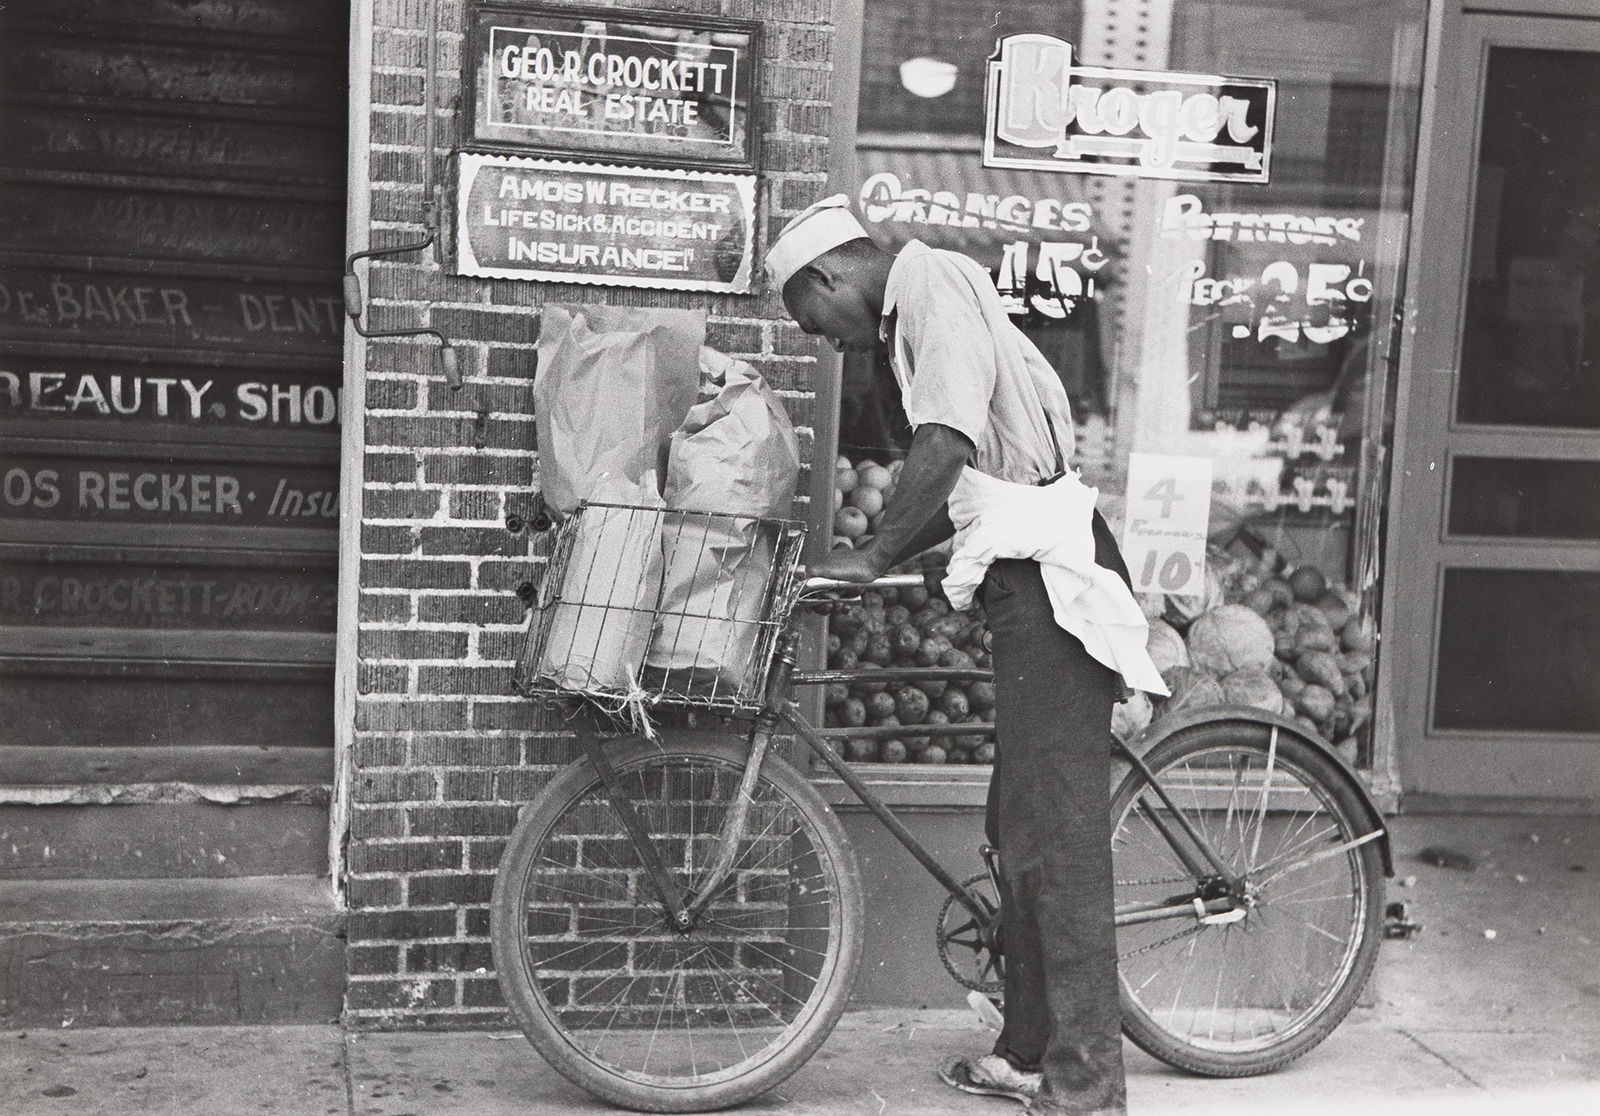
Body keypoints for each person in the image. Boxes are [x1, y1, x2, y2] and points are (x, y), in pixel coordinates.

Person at [766, 196, 1167, 1116]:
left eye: (808, 319)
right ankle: (1030, 1047)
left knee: (1056, 842)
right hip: (1020, 575)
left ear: (830, 277)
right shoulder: (912, 316)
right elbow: (955, 481)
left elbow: (944, 444)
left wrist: (868, 555)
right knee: (1017, 829)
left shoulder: (932, 283)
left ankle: (1088, 1084)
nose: (822, 341)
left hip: (1049, 584)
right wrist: (869, 565)